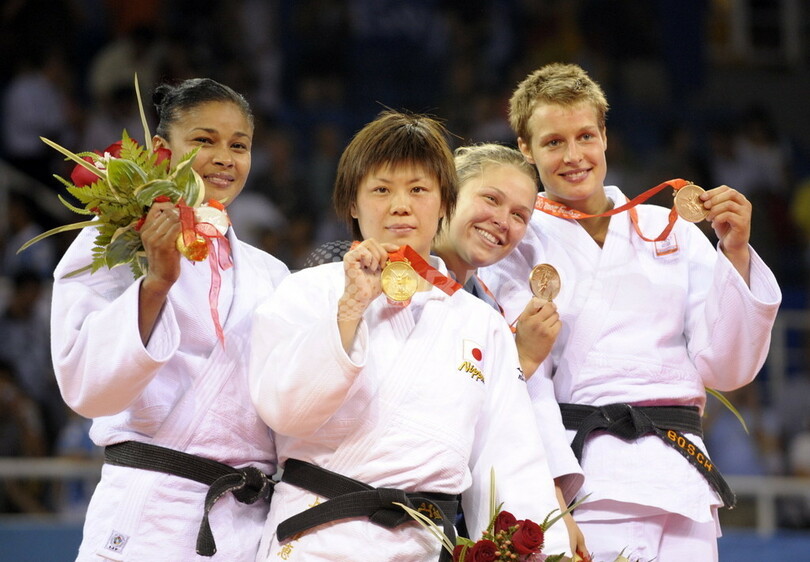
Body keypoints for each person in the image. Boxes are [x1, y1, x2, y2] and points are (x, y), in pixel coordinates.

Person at [478, 62, 782, 561]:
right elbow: (526, 381)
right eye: (553, 142)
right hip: (589, 481)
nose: (573, 156)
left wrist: (736, 254)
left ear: (605, 135)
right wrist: (551, 492)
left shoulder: (671, 229)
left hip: (682, 479)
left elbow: (728, 369)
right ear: (525, 148)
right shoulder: (517, 242)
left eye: (585, 136)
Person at [249, 111, 572, 561]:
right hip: (314, 540)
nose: (401, 205)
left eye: (419, 190)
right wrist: (350, 310)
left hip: (424, 548)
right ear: (352, 204)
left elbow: (509, 461)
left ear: (445, 203)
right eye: (381, 190)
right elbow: (286, 411)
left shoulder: (481, 324)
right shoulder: (305, 291)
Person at [50, 78, 290, 561]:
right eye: (204, 140)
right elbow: (86, 385)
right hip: (150, 512)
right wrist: (156, 284)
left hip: (244, 524)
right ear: (162, 149)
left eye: (238, 145)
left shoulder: (273, 273)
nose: (225, 157)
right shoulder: (117, 239)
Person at [431, 142, 587, 557]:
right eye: (491, 199)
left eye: (520, 215)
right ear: (448, 192)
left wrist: (554, 508)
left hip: (445, 521)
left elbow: (513, 429)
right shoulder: (390, 274)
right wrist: (524, 359)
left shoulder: (489, 309)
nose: (503, 221)